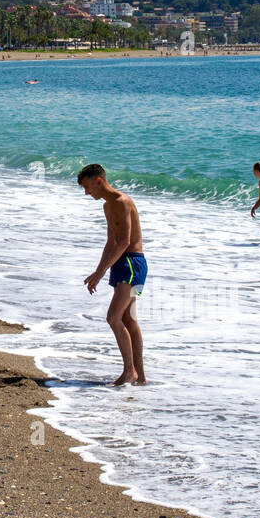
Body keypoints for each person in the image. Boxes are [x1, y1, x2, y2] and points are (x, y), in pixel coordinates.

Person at [77, 163, 147, 386]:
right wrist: (98, 270)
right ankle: (140, 376)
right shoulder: (108, 207)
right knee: (128, 319)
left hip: (131, 263)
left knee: (113, 318)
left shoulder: (122, 202)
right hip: (121, 263)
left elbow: (125, 241)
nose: (87, 193)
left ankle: (129, 372)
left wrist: (101, 273)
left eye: (88, 187)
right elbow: (111, 243)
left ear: (98, 180)